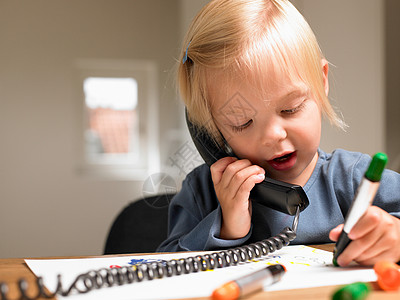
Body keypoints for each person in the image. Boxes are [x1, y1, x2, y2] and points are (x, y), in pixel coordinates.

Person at [157, 0, 400, 267]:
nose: (273, 135)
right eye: (242, 122)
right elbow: (165, 266)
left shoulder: (352, 178)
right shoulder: (201, 191)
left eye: (290, 109)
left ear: (321, 82)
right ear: (208, 131)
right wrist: (227, 228)